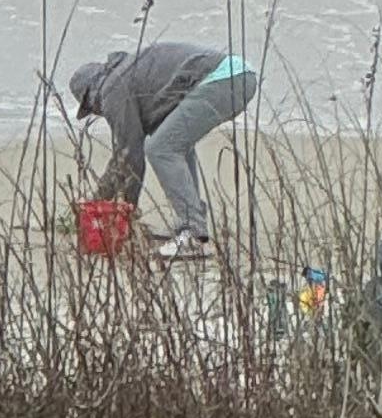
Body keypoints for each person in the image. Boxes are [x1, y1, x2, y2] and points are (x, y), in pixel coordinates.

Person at [68, 40, 257, 258]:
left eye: (92, 109)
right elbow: (128, 153)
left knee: (161, 148)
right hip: (240, 75)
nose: (100, 113)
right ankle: (190, 226)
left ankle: (194, 234)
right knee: (173, 145)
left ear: (91, 95)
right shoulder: (129, 74)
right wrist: (104, 199)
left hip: (223, 81)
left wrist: (119, 211)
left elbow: (129, 155)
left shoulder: (111, 88)